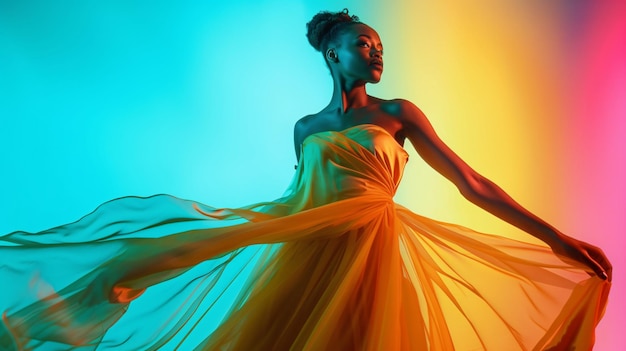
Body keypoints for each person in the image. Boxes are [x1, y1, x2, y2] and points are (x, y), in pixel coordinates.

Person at [0, 8, 611, 351]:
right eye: (362, 44)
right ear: (332, 53)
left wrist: (555, 238)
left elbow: (470, 182)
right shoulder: (305, 128)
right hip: (310, 251)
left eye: (379, 46)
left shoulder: (397, 113)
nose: (376, 53)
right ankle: (71, 303)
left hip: (371, 251)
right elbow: (300, 200)